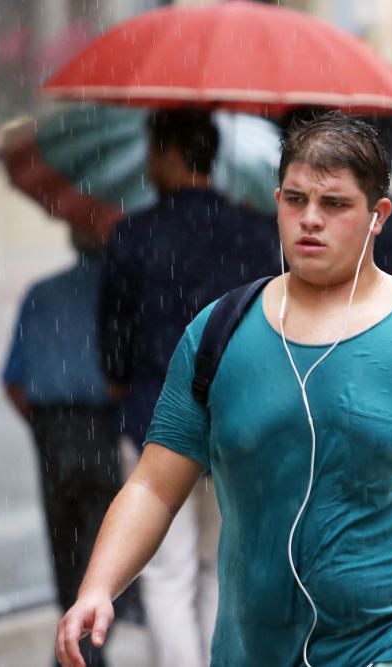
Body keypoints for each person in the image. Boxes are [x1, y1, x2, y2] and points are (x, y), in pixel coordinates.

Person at [61, 112, 392, 667]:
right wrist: (98, 585)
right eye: (295, 200)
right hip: (258, 648)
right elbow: (154, 487)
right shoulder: (217, 335)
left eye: (335, 204)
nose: (310, 220)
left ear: (377, 216)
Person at [98, 108, 279, 666]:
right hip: (241, 422)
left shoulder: (134, 234)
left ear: (171, 153)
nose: (149, 162)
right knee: (219, 569)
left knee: (166, 573)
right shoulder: (255, 232)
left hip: (157, 418)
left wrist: (123, 383)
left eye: (153, 149)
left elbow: (113, 343)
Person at [3, 226, 124, 667]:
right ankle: (86, 646)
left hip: (52, 428)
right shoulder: (116, 293)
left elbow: (13, 382)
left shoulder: (41, 293)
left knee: (65, 537)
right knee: (103, 542)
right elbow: (125, 371)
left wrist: (45, 428)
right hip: (102, 425)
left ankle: (74, 642)